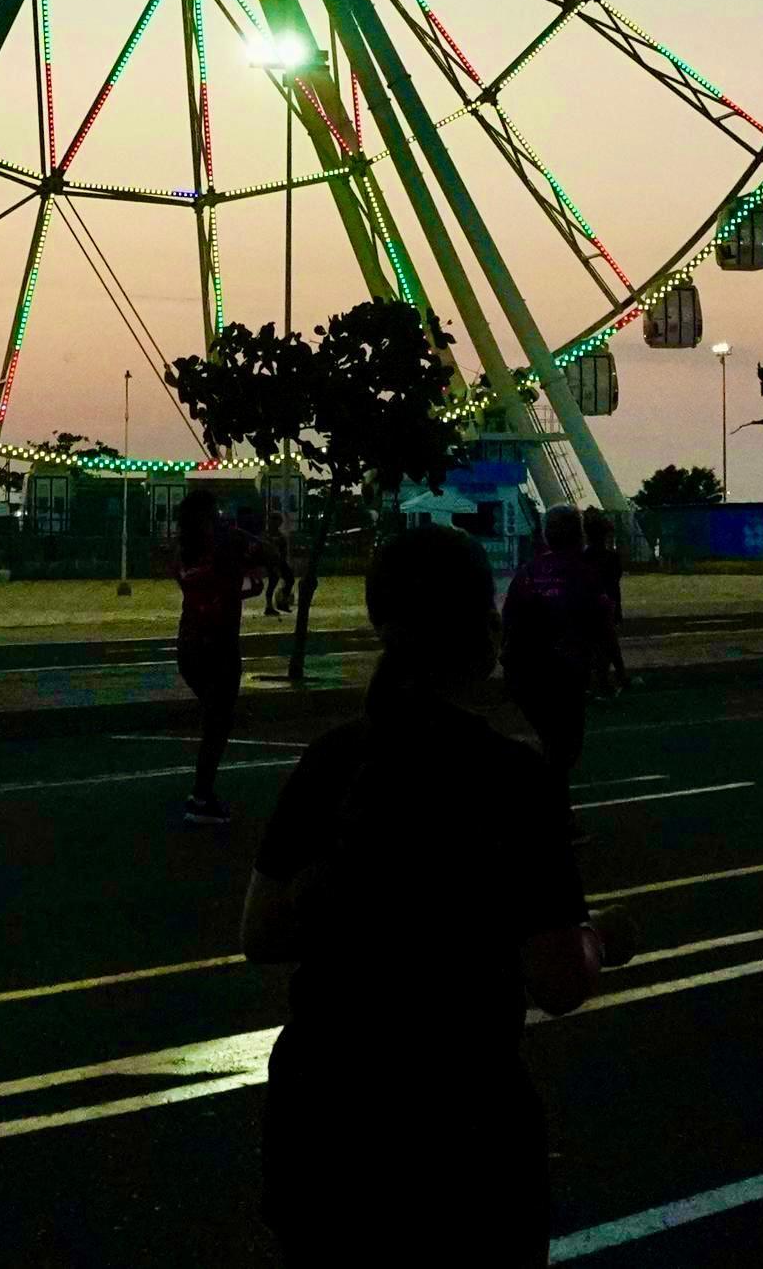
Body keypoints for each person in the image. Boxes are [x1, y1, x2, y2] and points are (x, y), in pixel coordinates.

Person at [248, 522, 619, 1266]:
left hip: (322, 1116)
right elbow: (556, 980)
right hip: (461, 1126)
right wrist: (601, 941)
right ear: (484, 628)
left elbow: (261, 932)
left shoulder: (332, 760)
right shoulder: (512, 780)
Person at [171, 486, 247, 825]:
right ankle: (201, 796)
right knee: (219, 720)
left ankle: (202, 792)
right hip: (218, 645)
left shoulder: (186, 557)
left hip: (189, 645)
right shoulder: (224, 549)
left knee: (216, 719)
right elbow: (262, 553)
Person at [501, 507, 595, 781]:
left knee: (546, 743)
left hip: (524, 672)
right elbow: (599, 623)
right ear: (579, 534)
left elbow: (509, 619)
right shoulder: (583, 573)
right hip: (564, 672)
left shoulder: (528, 572)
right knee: (564, 747)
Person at [581, 509, 632, 694]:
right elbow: (614, 582)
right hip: (607, 605)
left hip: (589, 607)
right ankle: (611, 679)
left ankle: (605, 679)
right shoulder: (611, 558)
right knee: (609, 644)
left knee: (596, 645)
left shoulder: (583, 558)